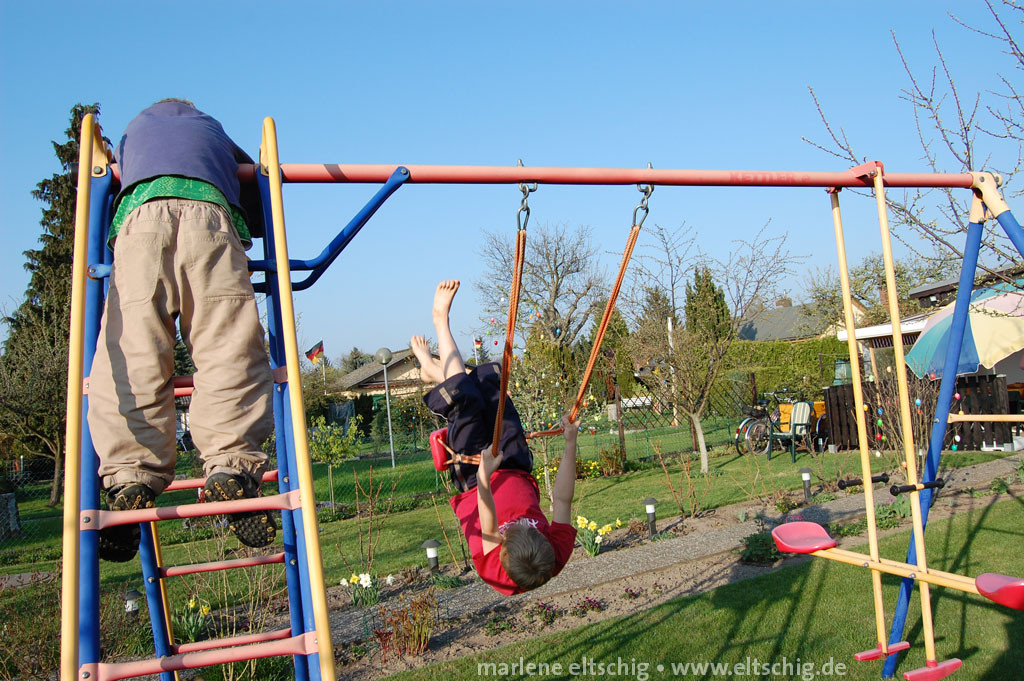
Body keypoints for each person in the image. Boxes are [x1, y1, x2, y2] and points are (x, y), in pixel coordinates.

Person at [87, 99, 276, 562]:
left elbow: (108, 179)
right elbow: (254, 185)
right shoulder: (211, 129)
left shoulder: (133, 135)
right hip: (210, 219)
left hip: (138, 224)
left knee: (133, 350)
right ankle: (230, 468)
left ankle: (130, 475)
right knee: (228, 345)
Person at [410, 280, 578, 595]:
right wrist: (570, 443)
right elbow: (564, 499)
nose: (516, 523)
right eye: (526, 526)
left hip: (475, 479)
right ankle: (433, 372)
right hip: (515, 466)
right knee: (492, 385)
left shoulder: (493, 569)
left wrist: (485, 474)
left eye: (510, 530)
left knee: (467, 398)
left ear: (502, 547)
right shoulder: (554, 554)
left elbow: (487, 519)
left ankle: (440, 321)